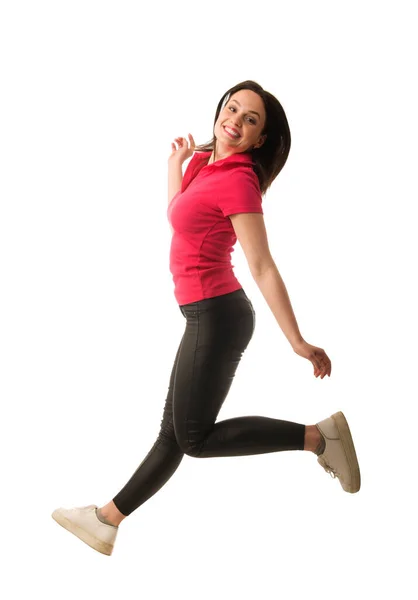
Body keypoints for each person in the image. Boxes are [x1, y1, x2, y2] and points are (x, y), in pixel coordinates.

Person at [52, 80, 361, 556]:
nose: (234, 120)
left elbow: (262, 266)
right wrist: (174, 166)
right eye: (231, 108)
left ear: (259, 139)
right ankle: (105, 521)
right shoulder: (203, 162)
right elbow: (180, 213)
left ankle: (320, 437)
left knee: (192, 438)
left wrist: (296, 340)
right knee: (174, 433)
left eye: (250, 119)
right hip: (202, 315)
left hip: (219, 316)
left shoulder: (239, 180)